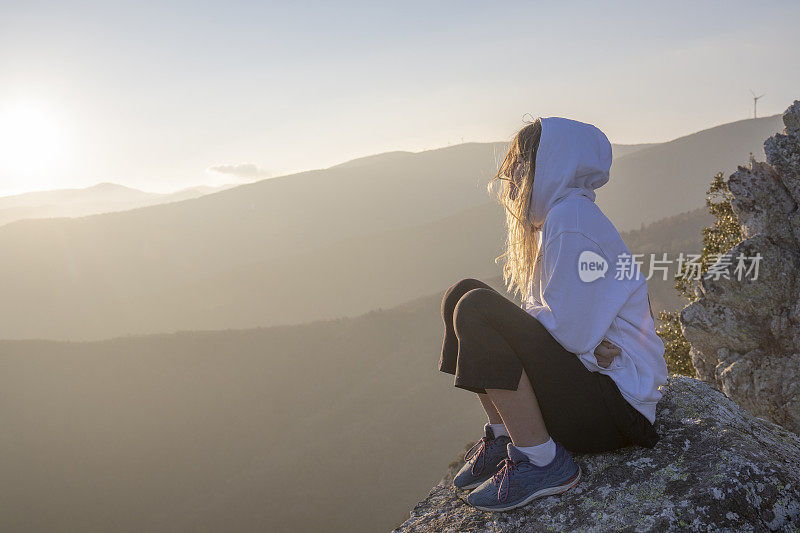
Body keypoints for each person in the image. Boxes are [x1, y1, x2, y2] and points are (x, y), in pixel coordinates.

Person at [438, 116, 668, 512]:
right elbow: (567, 326)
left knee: (475, 308)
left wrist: (588, 347)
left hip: (618, 410)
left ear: (548, 165)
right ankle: (503, 435)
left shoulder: (571, 220)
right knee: (462, 293)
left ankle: (542, 461)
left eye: (518, 167)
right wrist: (592, 348)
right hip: (597, 386)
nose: (509, 180)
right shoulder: (559, 220)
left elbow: (568, 333)